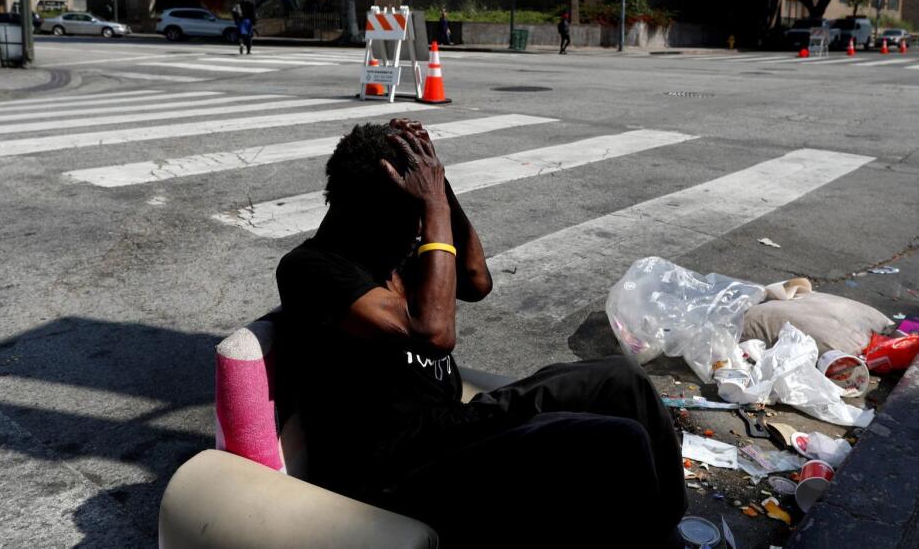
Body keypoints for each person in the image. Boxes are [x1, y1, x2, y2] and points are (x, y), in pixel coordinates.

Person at [275, 119, 687, 548]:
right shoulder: (311, 269)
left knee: (623, 381)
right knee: (617, 441)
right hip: (401, 467)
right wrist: (432, 205)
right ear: (363, 211)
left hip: (455, 424)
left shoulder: (386, 244)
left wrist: (440, 183)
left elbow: (476, 279)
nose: (418, 232)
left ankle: (670, 527)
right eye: (409, 219)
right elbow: (432, 330)